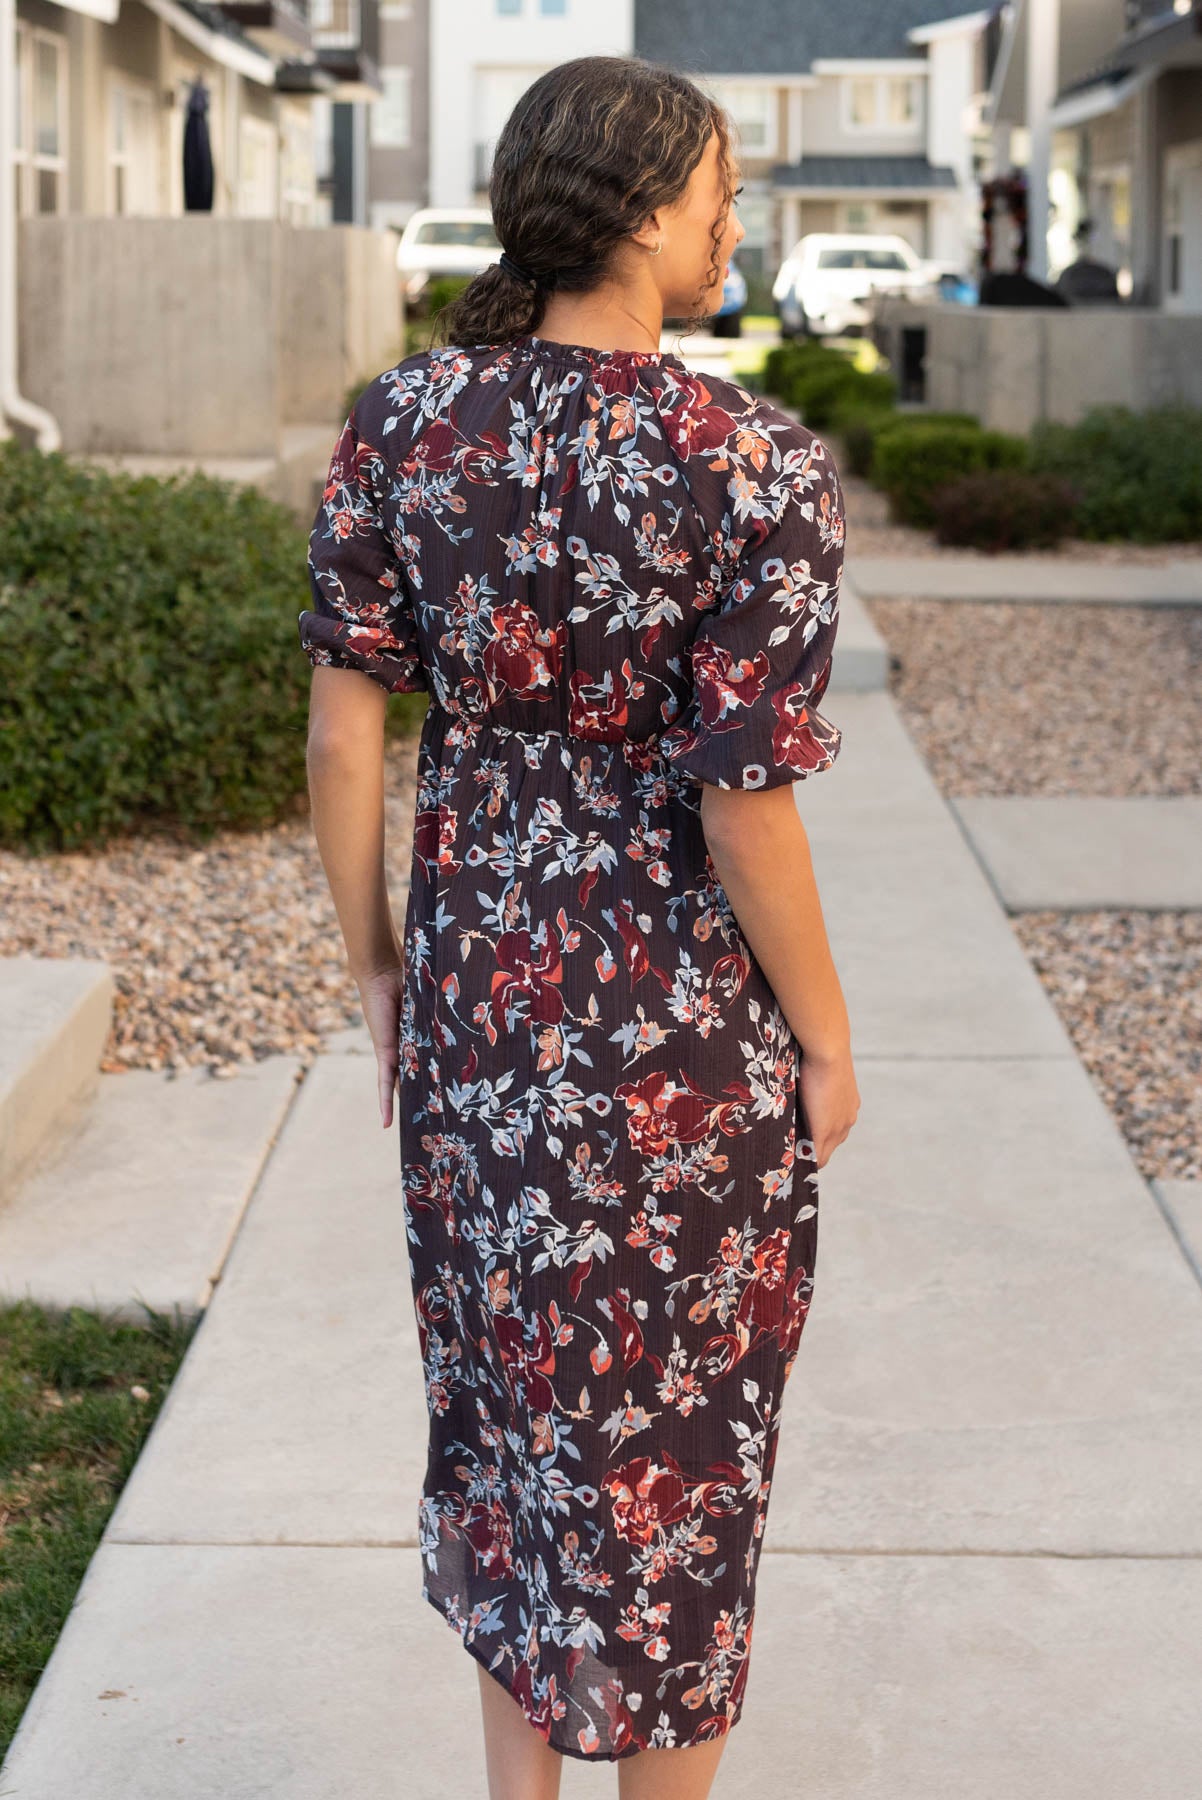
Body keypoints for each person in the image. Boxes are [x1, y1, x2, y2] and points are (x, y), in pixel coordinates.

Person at [298, 53, 860, 1800]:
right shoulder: (750, 459)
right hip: (674, 1041)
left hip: (480, 1013)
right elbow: (742, 801)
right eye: (724, 190)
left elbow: (341, 737)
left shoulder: (402, 424)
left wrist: (383, 980)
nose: (735, 222)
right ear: (643, 213)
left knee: (520, 1449)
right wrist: (828, 1038)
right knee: (667, 1475)